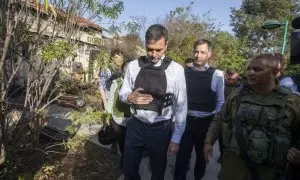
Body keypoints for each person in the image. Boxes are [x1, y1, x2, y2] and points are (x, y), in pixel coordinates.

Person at [204, 54, 300, 180]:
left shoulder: (292, 101)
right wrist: (209, 141)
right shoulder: (237, 95)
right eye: (248, 69)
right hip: (233, 166)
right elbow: (220, 118)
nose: (250, 72)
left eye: (257, 69)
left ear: (274, 72)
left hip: (268, 171)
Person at [119, 24, 187, 180]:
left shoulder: (176, 70)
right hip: (136, 126)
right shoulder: (133, 66)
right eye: (150, 49)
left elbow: (181, 106)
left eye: (159, 50)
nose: (154, 54)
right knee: (128, 170)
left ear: (166, 46)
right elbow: (122, 93)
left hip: (160, 129)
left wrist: (176, 139)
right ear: (145, 44)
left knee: (157, 172)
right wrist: (129, 97)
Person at [174, 39, 225, 180]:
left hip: (206, 123)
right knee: (181, 157)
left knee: (202, 157)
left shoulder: (217, 75)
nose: (198, 55)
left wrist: (215, 125)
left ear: (209, 54)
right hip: (186, 121)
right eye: (196, 51)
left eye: (202, 52)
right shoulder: (184, 73)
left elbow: (220, 102)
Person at [106, 60, 131, 168]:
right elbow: (111, 99)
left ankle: (128, 157)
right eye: (126, 69)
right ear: (123, 70)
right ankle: (123, 157)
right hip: (118, 117)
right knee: (121, 139)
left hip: (131, 118)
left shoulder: (137, 83)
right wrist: (107, 115)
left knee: (129, 140)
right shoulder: (116, 82)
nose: (128, 72)